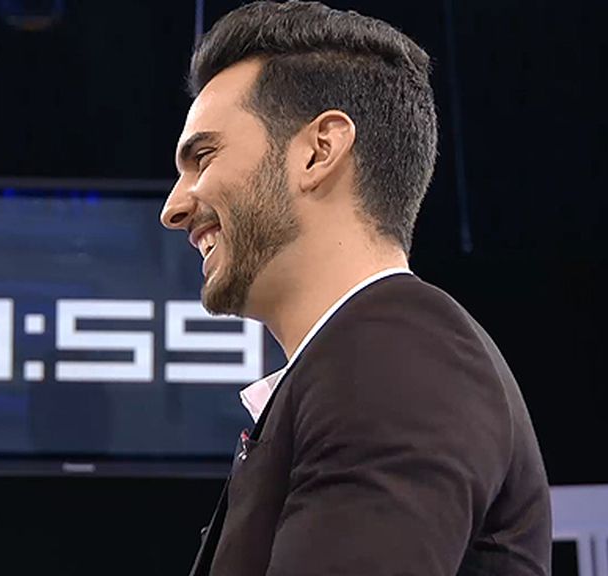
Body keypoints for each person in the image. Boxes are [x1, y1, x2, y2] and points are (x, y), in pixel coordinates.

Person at [159, 2, 552, 575]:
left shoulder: (396, 358)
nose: (173, 207)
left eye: (203, 157)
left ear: (320, 151)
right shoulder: (363, 358)